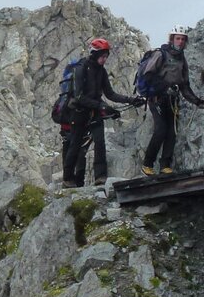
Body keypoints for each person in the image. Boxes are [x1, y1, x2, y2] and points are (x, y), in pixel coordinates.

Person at [61, 38, 144, 188]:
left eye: (106, 56)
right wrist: (100, 105)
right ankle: (67, 178)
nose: (104, 59)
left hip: (94, 112)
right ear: (94, 53)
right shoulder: (81, 68)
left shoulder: (102, 72)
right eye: (102, 56)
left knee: (100, 142)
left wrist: (131, 100)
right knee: (75, 144)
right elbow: (79, 96)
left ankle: (100, 177)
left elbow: (110, 94)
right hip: (79, 112)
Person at [138, 26, 204, 176]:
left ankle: (165, 165)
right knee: (161, 130)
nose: (181, 41)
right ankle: (147, 164)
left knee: (172, 132)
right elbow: (147, 74)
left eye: (183, 39)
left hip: (172, 100)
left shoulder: (182, 59)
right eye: (178, 38)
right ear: (172, 39)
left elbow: (184, 85)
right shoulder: (160, 54)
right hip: (157, 99)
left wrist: (197, 101)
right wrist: (162, 87)